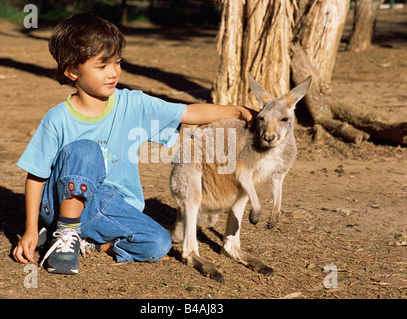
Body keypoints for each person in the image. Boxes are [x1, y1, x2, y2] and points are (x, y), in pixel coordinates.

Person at [13, 12, 256, 275]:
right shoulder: (58, 118)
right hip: (59, 202)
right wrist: (29, 230)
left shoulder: (133, 104)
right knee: (86, 150)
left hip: (112, 207)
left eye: (117, 62)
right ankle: (65, 233)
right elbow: (36, 175)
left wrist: (238, 111)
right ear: (72, 71)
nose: (113, 72)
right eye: (102, 66)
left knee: (159, 243)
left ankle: (87, 240)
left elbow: (187, 113)